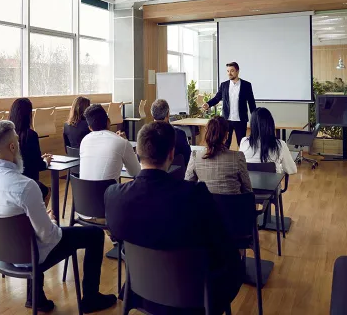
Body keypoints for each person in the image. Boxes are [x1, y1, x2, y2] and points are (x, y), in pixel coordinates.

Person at [0, 121, 117, 313]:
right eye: (17, 142)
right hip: (28, 255)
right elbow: (49, 236)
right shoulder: (25, 186)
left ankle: (36, 298)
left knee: (31, 231)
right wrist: (52, 221)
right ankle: (90, 298)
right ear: (12, 146)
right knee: (95, 235)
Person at [104, 122, 242, 315]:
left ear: (137, 153)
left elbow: (118, 237)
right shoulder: (195, 195)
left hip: (141, 292)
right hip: (195, 299)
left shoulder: (113, 196)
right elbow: (223, 247)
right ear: (171, 154)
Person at [185, 116, 252, 195]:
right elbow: (247, 190)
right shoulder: (238, 157)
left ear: (206, 133)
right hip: (233, 206)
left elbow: (187, 186)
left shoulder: (195, 156)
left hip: (205, 206)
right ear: (227, 135)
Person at [80, 104, 141, 181]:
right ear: (109, 121)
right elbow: (135, 172)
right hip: (107, 192)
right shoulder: (121, 142)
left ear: (90, 128)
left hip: (82, 192)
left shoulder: (84, 140)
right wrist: (125, 141)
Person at [202, 62, 256, 148]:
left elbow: (251, 102)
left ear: (237, 71)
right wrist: (208, 104)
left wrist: (255, 118)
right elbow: (217, 98)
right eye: (227, 71)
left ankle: (242, 161)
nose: (229, 73)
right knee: (225, 144)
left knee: (242, 144)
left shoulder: (246, 85)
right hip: (226, 120)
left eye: (232, 71)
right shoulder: (224, 85)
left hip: (240, 120)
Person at [9, 98, 51, 205]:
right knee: (47, 191)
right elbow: (38, 166)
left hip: (10, 183)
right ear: (28, 115)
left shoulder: (7, 135)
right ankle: (38, 219)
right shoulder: (30, 135)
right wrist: (46, 161)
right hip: (28, 184)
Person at [240, 107, 298, 175]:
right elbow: (292, 170)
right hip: (272, 185)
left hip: (249, 185)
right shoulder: (280, 145)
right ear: (271, 124)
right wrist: (280, 167)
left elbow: (241, 167)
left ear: (252, 125)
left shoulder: (243, 142)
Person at [151, 99, 191, 168]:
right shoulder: (179, 134)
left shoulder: (145, 135)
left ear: (152, 114)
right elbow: (188, 159)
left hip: (150, 176)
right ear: (168, 114)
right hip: (175, 176)